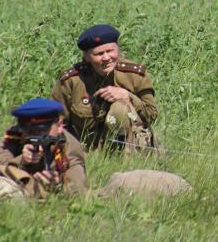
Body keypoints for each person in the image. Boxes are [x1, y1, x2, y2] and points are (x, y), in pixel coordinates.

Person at [51, 24, 158, 153]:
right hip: (86, 151)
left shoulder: (134, 75)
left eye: (110, 51)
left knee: (120, 109)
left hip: (133, 150)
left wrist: (128, 97)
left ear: (117, 49)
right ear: (87, 56)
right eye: (99, 54)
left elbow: (151, 114)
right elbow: (56, 122)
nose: (106, 58)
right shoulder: (72, 80)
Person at [0, 98, 87, 198]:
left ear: (59, 125)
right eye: (29, 131)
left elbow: (77, 189)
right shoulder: (14, 136)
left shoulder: (68, 146)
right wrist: (22, 161)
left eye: (41, 130)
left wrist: (58, 186)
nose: (34, 136)